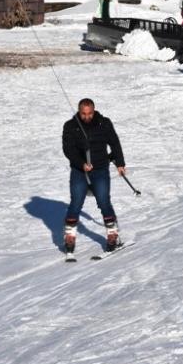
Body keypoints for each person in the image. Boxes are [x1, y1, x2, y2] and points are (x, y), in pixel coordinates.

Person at [62, 98, 127, 256]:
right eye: (83, 114)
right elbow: (68, 149)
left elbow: (114, 142)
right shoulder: (71, 126)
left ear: (94, 110)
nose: (87, 116)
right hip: (79, 171)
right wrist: (81, 163)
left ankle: (112, 235)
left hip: (100, 169)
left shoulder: (103, 123)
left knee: (104, 202)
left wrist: (120, 163)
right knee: (76, 203)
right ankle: (69, 236)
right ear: (79, 111)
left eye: (89, 113)